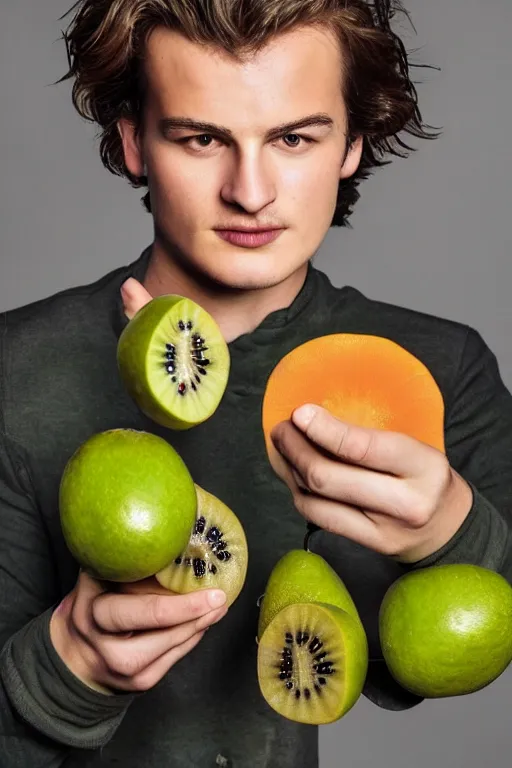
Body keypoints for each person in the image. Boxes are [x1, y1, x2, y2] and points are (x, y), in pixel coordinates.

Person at [0, 0, 510, 766]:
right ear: (135, 142)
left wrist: (452, 531)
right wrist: (67, 667)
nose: (250, 191)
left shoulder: (439, 365)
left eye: (294, 137)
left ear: (351, 143)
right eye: (203, 138)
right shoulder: (16, 369)